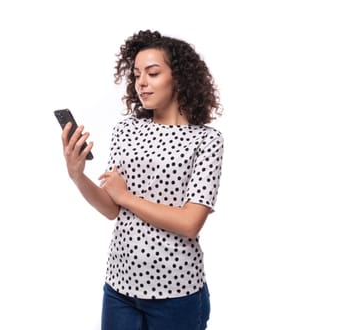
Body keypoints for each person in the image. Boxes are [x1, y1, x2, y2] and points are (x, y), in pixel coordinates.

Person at [60, 29, 224, 330]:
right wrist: (77, 175)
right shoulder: (126, 130)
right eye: (136, 75)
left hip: (177, 293)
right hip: (120, 287)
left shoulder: (206, 140)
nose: (141, 83)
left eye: (152, 73)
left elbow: (190, 223)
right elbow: (112, 209)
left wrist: (126, 197)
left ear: (179, 78)